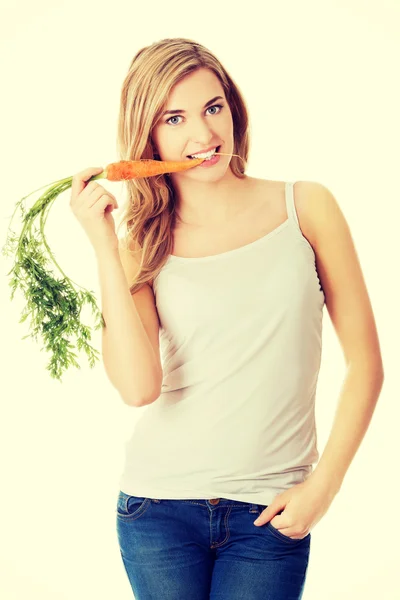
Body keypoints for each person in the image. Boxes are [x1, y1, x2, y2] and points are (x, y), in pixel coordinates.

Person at [70, 37, 384, 600]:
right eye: (175, 118)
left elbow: (366, 363)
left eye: (213, 108)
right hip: (157, 511)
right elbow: (139, 389)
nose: (204, 135)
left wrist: (324, 486)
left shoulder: (306, 207)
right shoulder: (142, 243)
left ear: (233, 109)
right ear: (150, 135)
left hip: (271, 514)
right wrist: (104, 246)